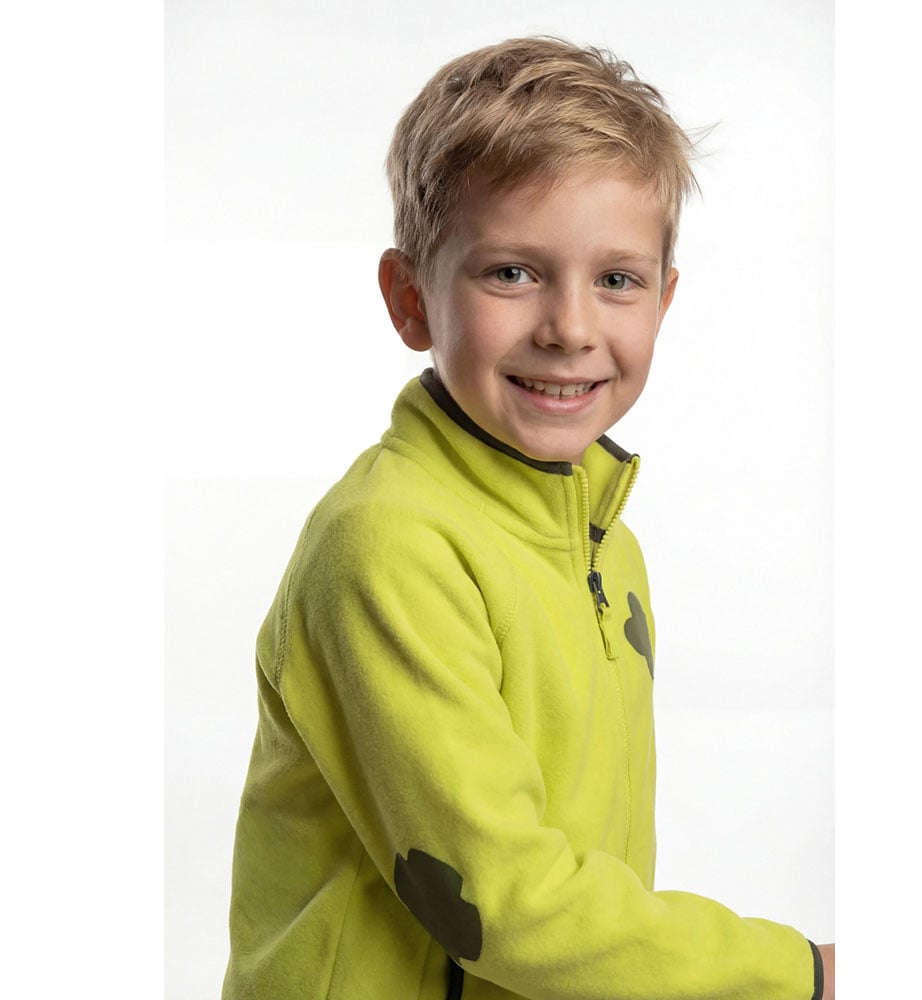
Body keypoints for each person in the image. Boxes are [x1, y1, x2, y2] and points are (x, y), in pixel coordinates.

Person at [220, 36, 834, 1000]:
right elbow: (505, 903)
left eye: (617, 280)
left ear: (665, 300)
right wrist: (800, 975)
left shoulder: (605, 544)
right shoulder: (388, 546)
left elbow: (587, 881)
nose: (570, 328)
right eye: (512, 273)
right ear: (411, 298)